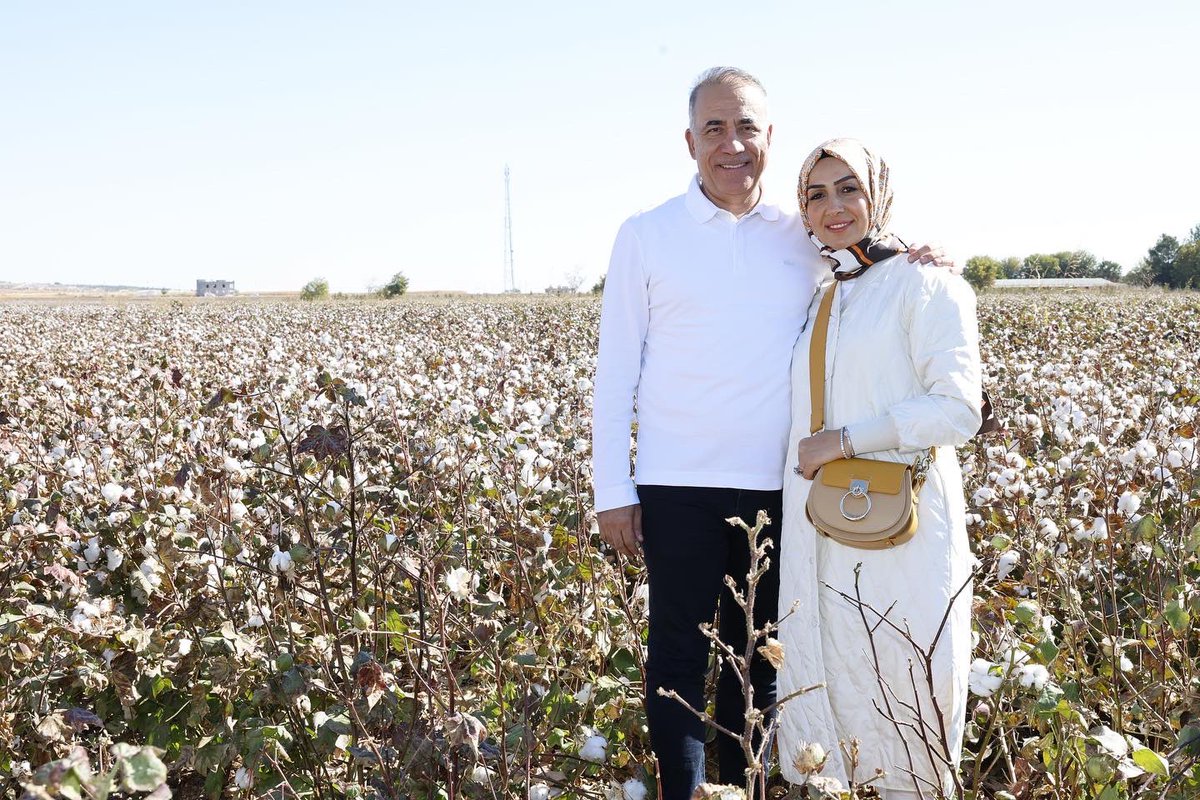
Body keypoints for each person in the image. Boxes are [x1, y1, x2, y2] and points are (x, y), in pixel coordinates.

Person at [592, 68, 953, 800]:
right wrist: (612, 489)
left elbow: (869, 269)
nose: (733, 144)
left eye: (747, 127)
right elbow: (614, 373)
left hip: (784, 489)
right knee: (676, 662)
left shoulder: (804, 236)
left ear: (769, 138)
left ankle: (747, 788)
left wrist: (924, 256)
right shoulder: (646, 235)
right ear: (690, 142)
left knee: (758, 659)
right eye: (716, 129)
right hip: (675, 484)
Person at [776, 139, 982, 799]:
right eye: (816, 194)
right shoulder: (819, 295)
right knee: (826, 692)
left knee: (904, 688)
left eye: (848, 189)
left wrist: (844, 441)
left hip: (904, 532)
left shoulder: (927, 283)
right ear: (802, 212)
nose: (833, 206)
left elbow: (957, 409)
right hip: (817, 533)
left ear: (879, 196)